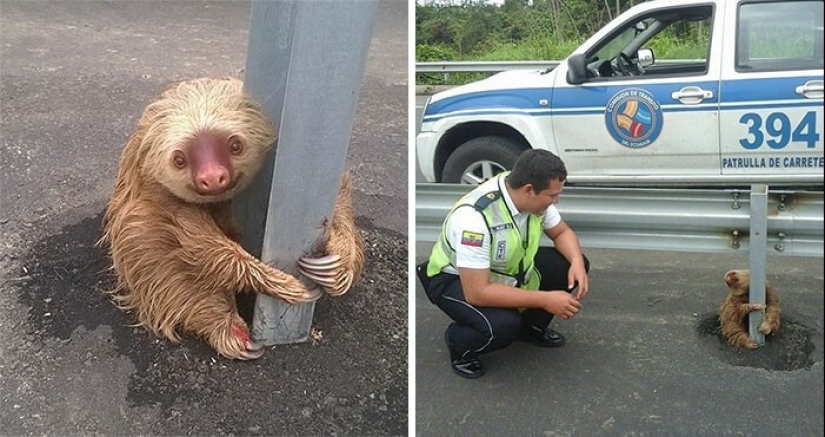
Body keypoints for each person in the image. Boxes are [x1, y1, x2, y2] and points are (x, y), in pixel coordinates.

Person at [417, 149, 590, 379]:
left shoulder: (526, 192)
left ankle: (530, 328)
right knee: (503, 325)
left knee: (570, 265)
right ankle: (460, 344)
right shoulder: (474, 220)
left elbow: (561, 232)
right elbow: (477, 292)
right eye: (552, 195)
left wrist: (577, 262)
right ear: (529, 190)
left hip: (504, 270)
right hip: (454, 279)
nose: (556, 200)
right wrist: (546, 300)